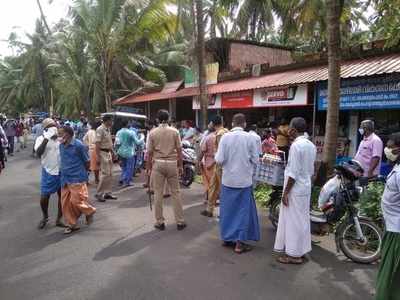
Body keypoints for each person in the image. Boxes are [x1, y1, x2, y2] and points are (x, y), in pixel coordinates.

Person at [215, 113, 260, 254]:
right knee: (242, 212)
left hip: (228, 181)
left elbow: (219, 159)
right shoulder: (250, 138)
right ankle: (239, 244)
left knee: (227, 211)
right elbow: (256, 160)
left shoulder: (225, 138)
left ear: (232, 124)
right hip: (244, 181)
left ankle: (227, 238)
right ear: (244, 124)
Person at [274, 117, 317, 264]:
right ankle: (301, 250)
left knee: (293, 222)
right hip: (305, 187)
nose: (287, 131)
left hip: (295, 188)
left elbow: (293, 173)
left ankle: (293, 255)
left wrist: (286, 192)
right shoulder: (311, 145)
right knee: (303, 220)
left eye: (289, 128)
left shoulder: (296, 146)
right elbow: (311, 170)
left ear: (293, 129)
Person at [147, 110, 186, 231]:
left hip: (158, 164)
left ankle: (160, 222)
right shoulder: (175, 131)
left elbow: (149, 153)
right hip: (172, 163)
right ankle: (180, 221)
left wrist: (148, 168)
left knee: (158, 193)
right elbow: (179, 150)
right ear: (168, 118)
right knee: (176, 192)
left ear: (158, 119)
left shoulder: (152, 132)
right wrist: (180, 166)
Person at [374, 133, 400, 300]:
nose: (387, 150)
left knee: (390, 278)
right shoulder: (396, 168)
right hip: (392, 229)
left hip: (397, 232)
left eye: (391, 147)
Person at [59, 125, 96, 234]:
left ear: (68, 133)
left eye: (61, 133)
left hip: (77, 177)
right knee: (65, 204)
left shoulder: (78, 145)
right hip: (65, 178)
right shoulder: (61, 145)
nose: (59, 135)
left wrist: (85, 173)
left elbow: (87, 161)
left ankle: (90, 211)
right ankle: (72, 224)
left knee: (76, 200)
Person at [34, 118, 64, 229]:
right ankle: (45, 216)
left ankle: (59, 219)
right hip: (48, 171)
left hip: (61, 172)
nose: (53, 128)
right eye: (50, 126)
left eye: (54, 126)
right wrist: (47, 138)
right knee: (44, 197)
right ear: (45, 129)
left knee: (62, 196)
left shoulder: (60, 139)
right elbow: (38, 153)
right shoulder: (40, 139)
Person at [204, 115, 228, 217]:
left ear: (213, 124)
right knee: (213, 186)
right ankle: (209, 209)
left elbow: (220, 152)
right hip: (219, 165)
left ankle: (224, 212)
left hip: (220, 165)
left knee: (222, 189)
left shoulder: (220, 134)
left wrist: (214, 162)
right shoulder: (225, 131)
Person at [115, 120, 144, 187]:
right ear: (127, 124)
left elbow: (117, 143)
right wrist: (142, 137)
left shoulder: (118, 132)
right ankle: (126, 181)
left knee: (124, 167)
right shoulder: (131, 133)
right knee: (130, 167)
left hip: (121, 152)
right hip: (129, 152)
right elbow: (138, 142)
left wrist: (116, 151)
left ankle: (123, 178)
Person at [95, 115, 117, 202]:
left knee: (111, 174)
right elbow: (97, 144)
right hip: (102, 153)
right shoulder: (100, 129)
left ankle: (108, 192)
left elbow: (109, 142)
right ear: (107, 121)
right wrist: (97, 157)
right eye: (111, 120)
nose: (112, 122)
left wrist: (113, 152)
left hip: (108, 153)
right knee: (105, 174)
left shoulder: (107, 129)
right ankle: (99, 193)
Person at [198, 122, 216, 211]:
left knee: (208, 182)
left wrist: (198, 160)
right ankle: (214, 199)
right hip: (218, 162)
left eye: (209, 124)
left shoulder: (208, 137)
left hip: (208, 161)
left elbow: (202, 150)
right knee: (216, 182)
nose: (208, 125)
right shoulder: (221, 136)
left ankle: (209, 200)